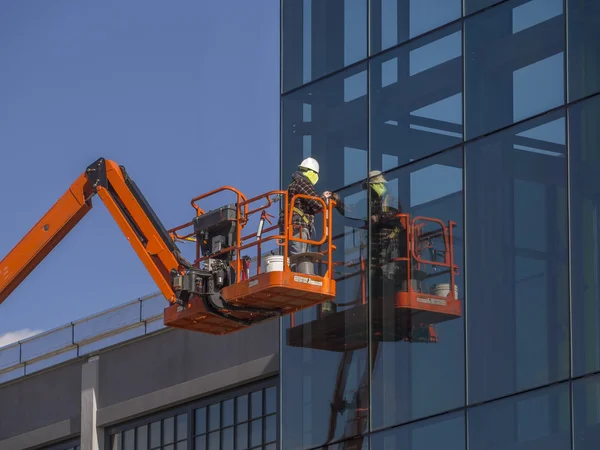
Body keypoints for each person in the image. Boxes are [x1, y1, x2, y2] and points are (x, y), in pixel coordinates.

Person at [278, 157, 343, 262]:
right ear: (311, 172)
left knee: (295, 258)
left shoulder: (295, 183)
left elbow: (310, 202)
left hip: (292, 226)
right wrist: (323, 199)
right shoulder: (302, 182)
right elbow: (317, 203)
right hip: (297, 226)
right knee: (299, 258)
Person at [364, 170, 406, 295]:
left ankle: (387, 295)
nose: (369, 190)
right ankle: (377, 296)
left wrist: (378, 217)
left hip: (388, 241)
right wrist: (338, 203)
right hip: (375, 244)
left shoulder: (390, 199)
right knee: (374, 274)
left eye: (370, 186)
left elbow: (394, 213)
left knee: (387, 272)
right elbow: (354, 210)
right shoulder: (372, 203)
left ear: (377, 185)